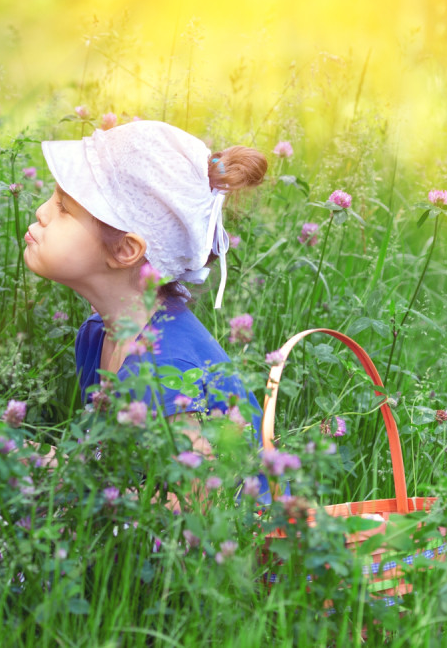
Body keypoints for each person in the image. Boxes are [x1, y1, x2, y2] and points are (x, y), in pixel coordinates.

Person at [23, 120, 271, 506]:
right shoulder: (98, 335)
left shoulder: (166, 367)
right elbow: (117, 465)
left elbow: (195, 505)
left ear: (125, 250)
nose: (41, 212)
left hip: (238, 553)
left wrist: (70, 483)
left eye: (64, 209)